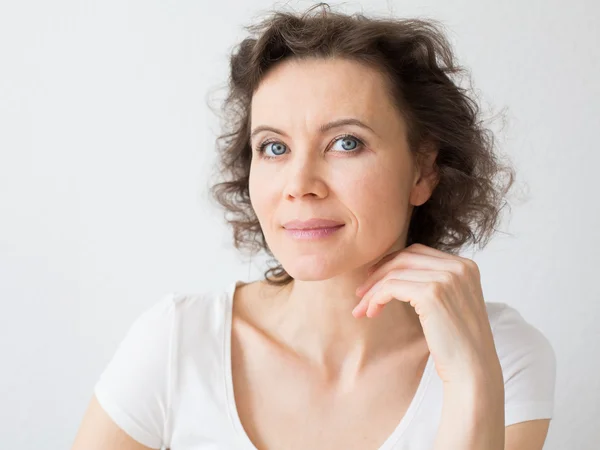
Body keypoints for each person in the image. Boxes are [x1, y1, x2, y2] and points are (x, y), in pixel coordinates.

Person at [71, 4, 556, 450]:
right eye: (274, 148)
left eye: (346, 143)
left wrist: (470, 380)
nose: (299, 185)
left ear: (424, 170)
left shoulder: (502, 356)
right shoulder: (178, 343)